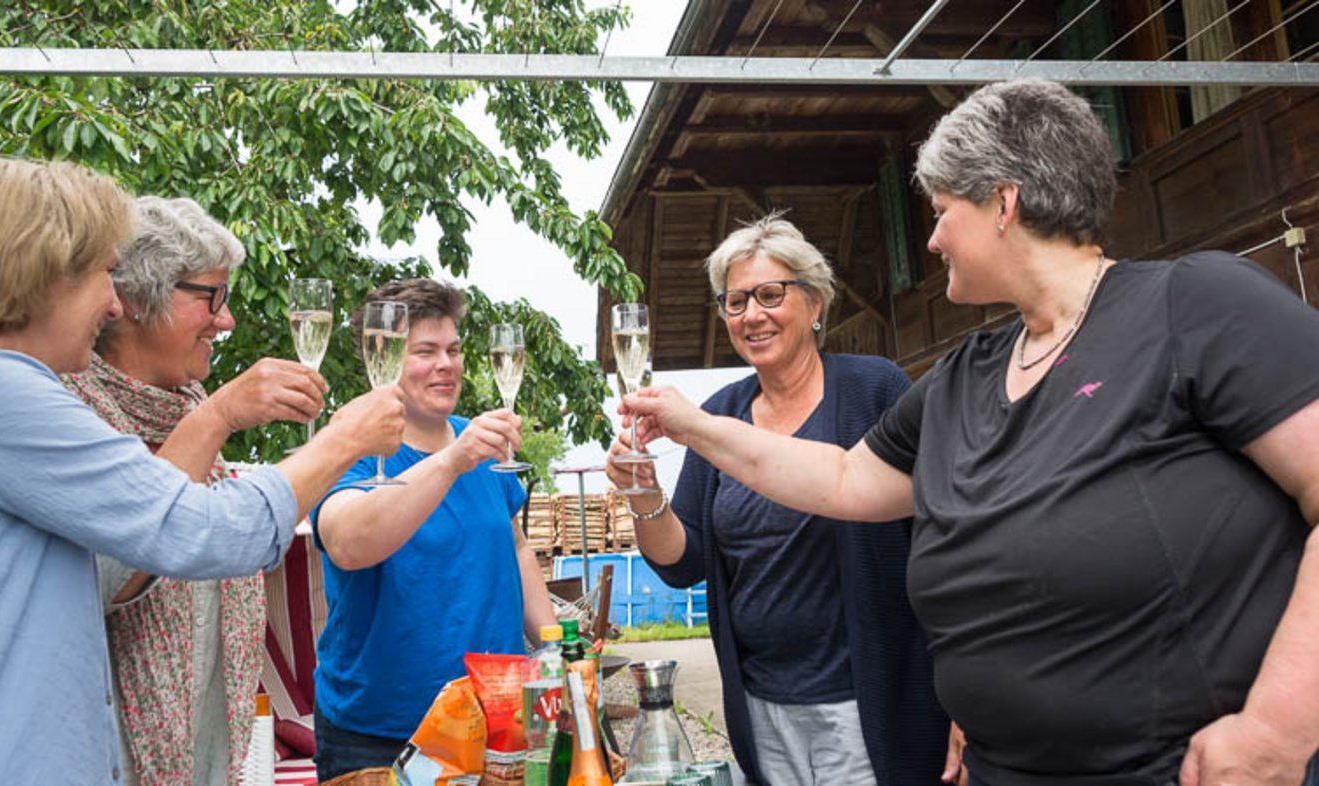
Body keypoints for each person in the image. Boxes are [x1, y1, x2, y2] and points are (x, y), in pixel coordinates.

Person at [620, 79, 1319, 786]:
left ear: (1003, 204)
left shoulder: (1193, 304)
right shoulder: (964, 377)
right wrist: (693, 425)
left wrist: (1276, 727)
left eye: (943, 211)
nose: (930, 238)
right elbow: (838, 479)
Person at [0, 157, 405, 784]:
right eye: (102, 274)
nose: (112, 305)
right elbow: (201, 529)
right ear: (38, 273)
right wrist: (344, 441)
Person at [606, 216, 947, 785]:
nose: (751, 315)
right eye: (735, 302)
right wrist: (644, 494)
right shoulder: (719, 413)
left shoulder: (874, 389)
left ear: (815, 304)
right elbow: (681, 563)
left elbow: (942, 530)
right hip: (763, 706)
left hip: (869, 703)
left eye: (770, 294)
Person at [63, 196, 329, 786]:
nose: (227, 319)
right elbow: (119, 565)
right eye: (210, 296)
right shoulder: (73, 410)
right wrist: (219, 418)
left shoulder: (186, 408)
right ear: (131, 300)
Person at [309, 278, 557, 780]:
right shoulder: (349, 450)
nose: (446, 364)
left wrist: (554, 646)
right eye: (426, 351)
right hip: (382, 738)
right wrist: (452, 461)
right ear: (381, 358)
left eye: (454, 349)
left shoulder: (481, 443)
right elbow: (348, 544)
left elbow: (516, 545)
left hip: (497, 726)